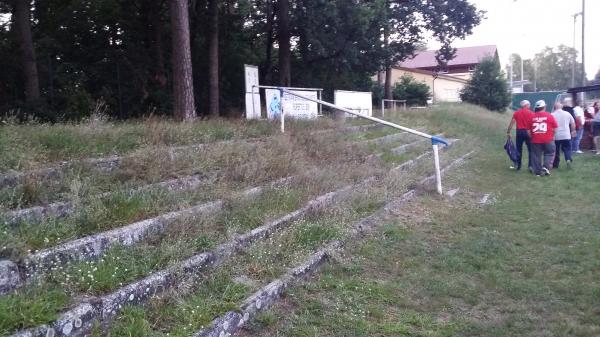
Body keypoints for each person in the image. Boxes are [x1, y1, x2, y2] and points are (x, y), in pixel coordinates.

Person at [528, 100, 558, 176]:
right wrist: (553, 135)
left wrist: (531, 137)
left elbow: (528, 130)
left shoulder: (531, 116)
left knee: (536, 155)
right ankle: (545, 167)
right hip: (548, 139)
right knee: (549, 153)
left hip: (535, 140)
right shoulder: (549, 115)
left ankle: (537, 172)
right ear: (544, 107)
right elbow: (555, 128)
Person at [506, 100, 533, 170]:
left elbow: (512, 122)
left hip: (519, 132)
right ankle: (530, 166)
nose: (530, 106)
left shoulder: (517, 113)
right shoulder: (531, 113)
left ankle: (518, 165)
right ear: (526, 105)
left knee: (519, 149)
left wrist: (508, 132)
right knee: (530, 150)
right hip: (528, 132)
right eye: (529, 104)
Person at [551, 102, 575, 168]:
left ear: (554, 107)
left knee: (556, 150)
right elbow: (573, 123)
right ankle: (568, 159)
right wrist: (573, 131)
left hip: (556, 135)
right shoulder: (567, 113)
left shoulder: (552, 115)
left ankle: (555, 164)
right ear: (561, 107)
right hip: (566, 135)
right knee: (567, 148)